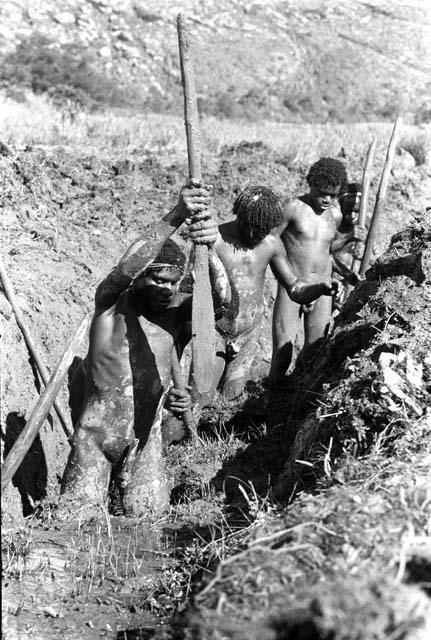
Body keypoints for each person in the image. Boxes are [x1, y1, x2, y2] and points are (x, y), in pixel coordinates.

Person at [60, 187, 227, 516]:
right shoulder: (110, 306)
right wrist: (177, 214)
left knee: (148, 522)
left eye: (173, 282)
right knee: (76, 524)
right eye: (158, 280)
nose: (167, 289)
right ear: (139, 280)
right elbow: (125, 268)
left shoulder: (177, 314)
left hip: (145, 442)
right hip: (95, 438)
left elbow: (219, 302)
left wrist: (211, 247)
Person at [185, 184, 338, 401]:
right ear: (242, 219)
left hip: (248, 334)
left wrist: (321, 288)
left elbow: (294, 288)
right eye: (256, 229)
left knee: (231, 398)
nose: (259, 235)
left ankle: (217, 434)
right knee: (200, 397)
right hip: (215, 332)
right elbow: (191, 286)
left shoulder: (271, 244)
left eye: (265, 230)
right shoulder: (216, 240)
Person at [270, 158, 362, 378]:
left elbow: (325, 253)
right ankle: (268, 401)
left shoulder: (335, 215)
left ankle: (293, 401)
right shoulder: (293, 208)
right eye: (322, 192)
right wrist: (285, 278)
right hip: (292, 288)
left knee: (314, 351)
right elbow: (271, 243)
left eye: (332, 194)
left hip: (324, 290)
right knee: (283, 354)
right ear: (310, 183)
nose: (326, 199)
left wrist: (347, 274)